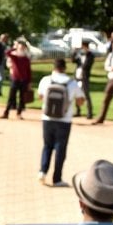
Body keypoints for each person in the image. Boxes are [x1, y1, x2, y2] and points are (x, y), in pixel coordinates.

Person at [37, 58, 84, 187]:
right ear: (65, 68)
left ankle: (42, 171)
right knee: (60, 149)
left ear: (54, 67)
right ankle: (57, 178)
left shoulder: (46, 80)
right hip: (64, 120)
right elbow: (81, 100)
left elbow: (40, 96)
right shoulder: (72, 83)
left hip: (47, 118)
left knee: (47, 146)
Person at [0, 38, 32, 119]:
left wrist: (29, 82)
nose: (21, 48)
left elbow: (29, 71)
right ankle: (6, 112)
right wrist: (15, 47)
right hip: (15, 79)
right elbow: (7, 52)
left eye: (23, 47)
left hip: (24, 80)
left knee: (22, 98)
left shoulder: (26, 59)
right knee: (11, 97)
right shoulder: (15, 57)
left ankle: (19, 113)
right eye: (20, 47)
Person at [73, 40, 96, 120]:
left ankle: (89, 112)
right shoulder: (79, 55)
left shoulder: (90, 55)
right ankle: (78, 110)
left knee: (86, 95)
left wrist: (83, 56)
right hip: (77, 76)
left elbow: (86, 66)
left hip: (84, 77)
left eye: (83, 47)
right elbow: (73, 60)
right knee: (76, 94)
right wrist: (75, 52)